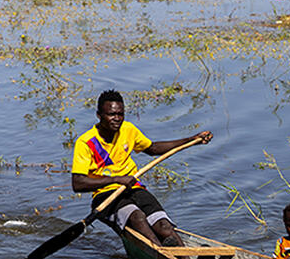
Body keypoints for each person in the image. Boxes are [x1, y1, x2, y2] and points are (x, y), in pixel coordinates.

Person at [71, 89, 212, 246]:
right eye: (111, 115)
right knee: (137, 218)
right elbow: (78, 183)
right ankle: (160, 254)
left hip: (134, 188)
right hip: (106, 196)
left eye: (120, 114)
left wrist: (191, 140)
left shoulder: (128, 129)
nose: (117, 119)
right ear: (99, 115)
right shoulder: (86, 142)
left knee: (164, 226)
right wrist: (117, 179)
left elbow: (152, 148)